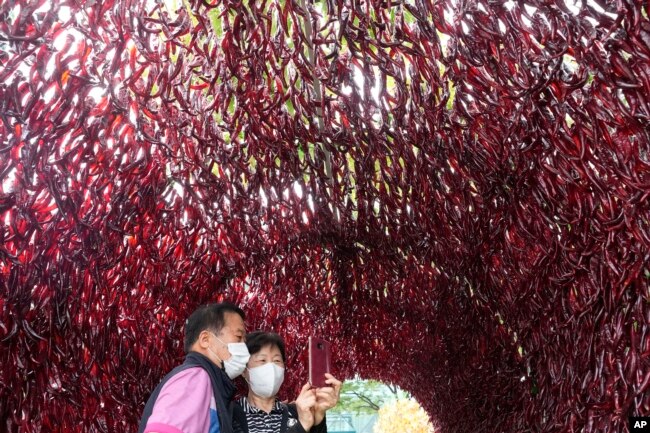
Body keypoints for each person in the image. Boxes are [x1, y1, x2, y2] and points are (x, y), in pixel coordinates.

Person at [139, 302, 249, 433]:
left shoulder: (210, 384)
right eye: (238, 337)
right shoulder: (194, 378)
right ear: (205, 339)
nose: (243, 346)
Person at [232, 331, 342, 433]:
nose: (271, 367)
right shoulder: (229, 414)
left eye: (277, 361)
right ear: (244, 370)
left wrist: (318, 419)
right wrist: (301, 426)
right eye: (262, 360)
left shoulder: (298, 412)